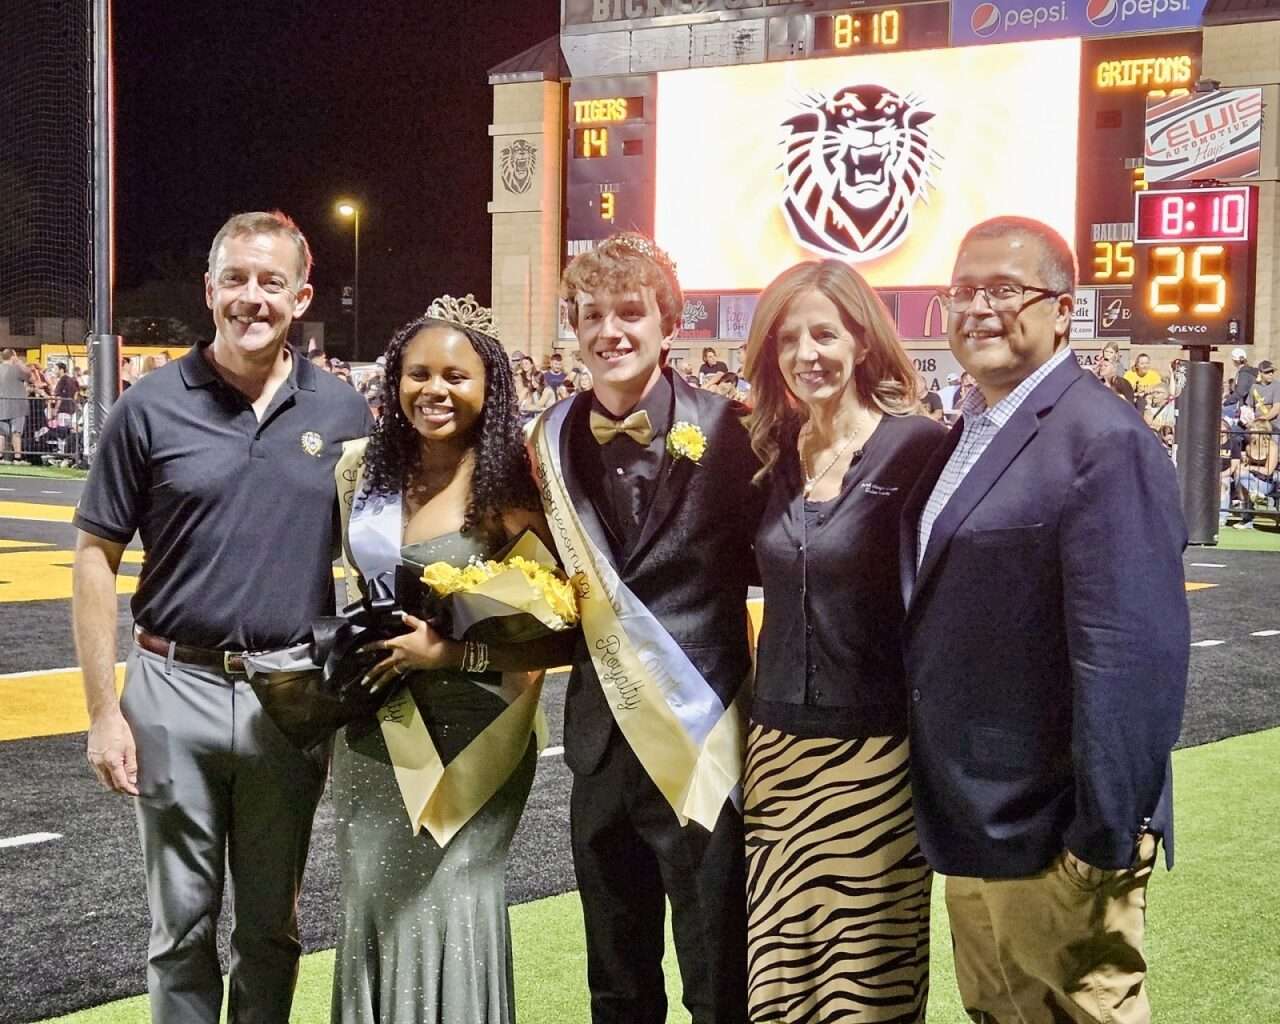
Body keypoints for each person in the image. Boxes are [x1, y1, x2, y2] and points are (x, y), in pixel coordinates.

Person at [71, 210, 371, 1023]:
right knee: (180, 929)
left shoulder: (344, 413)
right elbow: (96, 557)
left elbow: (381, 555)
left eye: (271, 282)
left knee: (273, 929)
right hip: (173, 688)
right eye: (235, 279)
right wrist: (104, 712)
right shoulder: (149, 407)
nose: (251, 298)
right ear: (209, 291)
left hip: (291, 694)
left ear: (301, 296)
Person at [901, 217, 1188, 1024]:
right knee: (999, 1013)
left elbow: (1130, 658)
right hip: (978, 820)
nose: (979, 309)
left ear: (1062, 310)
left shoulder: (1101, 437)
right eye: (963, 291)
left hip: (1056, 831)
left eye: (1005, 290)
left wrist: (1101, 835)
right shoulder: (968, 431)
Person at [530, 232, 761, 1024]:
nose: (610, 331)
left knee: (717, 978)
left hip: (703, 742)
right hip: (598, 744)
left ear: (669, 322)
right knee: (617, 981)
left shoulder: (733, 430)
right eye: (591, 315)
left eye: (630, 311)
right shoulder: (549, 437)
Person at [331, 296, 571, 1023]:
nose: (434, 390)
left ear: (490, 387)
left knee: (455, 897)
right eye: (417, 373)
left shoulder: (515, 492)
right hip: (376, 730)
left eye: (456, 377)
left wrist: (451, 652)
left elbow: (568, 633)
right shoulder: (359, 475)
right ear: (394, 380)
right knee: (372, 895)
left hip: (476, 733)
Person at [741, 260, 943, 1022]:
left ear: (862, 340)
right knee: (780, 981)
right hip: (775, 755)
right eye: (787, 339)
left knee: (868, 985)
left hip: (878, 758)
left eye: (824, 332)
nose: (805, 353)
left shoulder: (919, 446)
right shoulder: (770, 451)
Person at [0, 348, 31, 462]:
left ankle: (0, 458)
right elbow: (29, 375)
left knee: (1, 433)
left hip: (1, 405)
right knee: (16, 432)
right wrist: (19, 362)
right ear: (13, 356)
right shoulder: (17, 369)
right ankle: (18, 458)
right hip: (17, 405)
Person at [1222, 346, 1257, 420]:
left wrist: (1226, 402)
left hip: (1246, 408)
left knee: (1221, 413)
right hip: (1246, 406)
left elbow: (1241, 392)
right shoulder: (1249, 372)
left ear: (1234, 361)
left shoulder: (1244, 373)